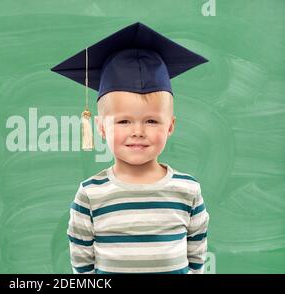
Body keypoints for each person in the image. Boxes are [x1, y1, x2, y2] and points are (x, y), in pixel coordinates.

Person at [51, 22, 210, 274]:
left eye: (151, 120)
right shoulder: (90, 194)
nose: (138, 131)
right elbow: (82, 261)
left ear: (170, 126)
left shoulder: (188, 190)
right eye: (124, 121)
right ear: (101, 128)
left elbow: (197, 252)